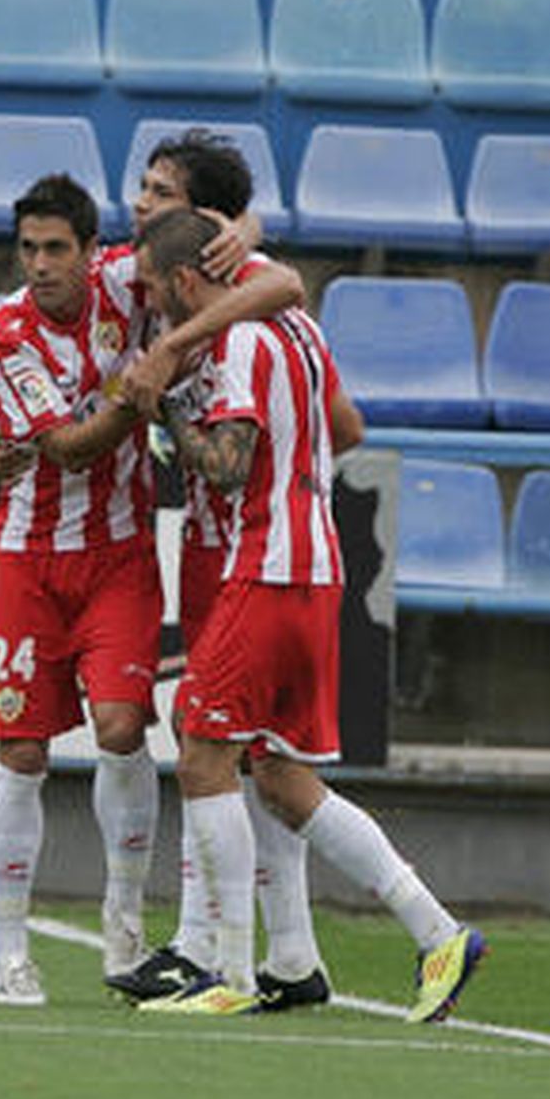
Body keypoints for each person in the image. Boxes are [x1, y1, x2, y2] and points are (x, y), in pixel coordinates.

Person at [132, 209, 488, 1023]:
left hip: (268, 563)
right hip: (316, 565)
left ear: (188, 281)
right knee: (285, 779)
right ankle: (436, 932)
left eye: (156, 290)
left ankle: (224, 968)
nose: (154, 308)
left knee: (200, 752)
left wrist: (167, 412)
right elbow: (339, 425)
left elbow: (228, 467)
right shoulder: (292, 325)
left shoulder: (242, 344)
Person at [0, 173, 304, 1007]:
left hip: (119, 555)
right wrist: (146, 386)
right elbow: (75, 446)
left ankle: (123, 920)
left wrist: (245, 224)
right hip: (25, 558)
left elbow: (279, 281)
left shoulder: (130, 279)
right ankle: (9, 950)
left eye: (56, 248)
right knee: (22, 752)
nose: (40, 265)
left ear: (94, 253)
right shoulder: (3, 336)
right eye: (28, 249)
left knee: (124, 727)